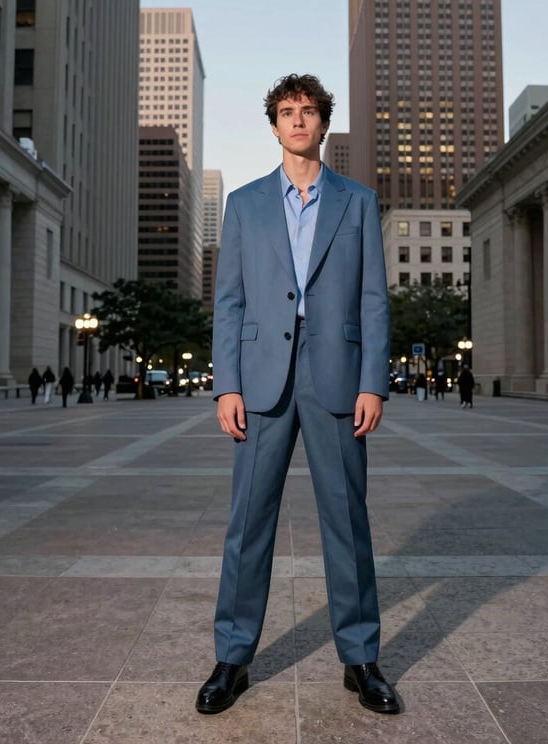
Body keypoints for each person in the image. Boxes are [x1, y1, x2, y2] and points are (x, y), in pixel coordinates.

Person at [196, 74, 399, 716]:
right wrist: (225, 383)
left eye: (308, 112)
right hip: (260, 377)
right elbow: (227, 302)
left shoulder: (358, 201)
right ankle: (233, 658)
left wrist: (374, 382)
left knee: (347, 519)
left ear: (323, 123)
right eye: (287, 112)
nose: (298, 121)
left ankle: (361, 659)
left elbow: (374, 300)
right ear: (274, 124)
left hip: (336, 372)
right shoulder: (247, 204)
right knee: (248, 521)